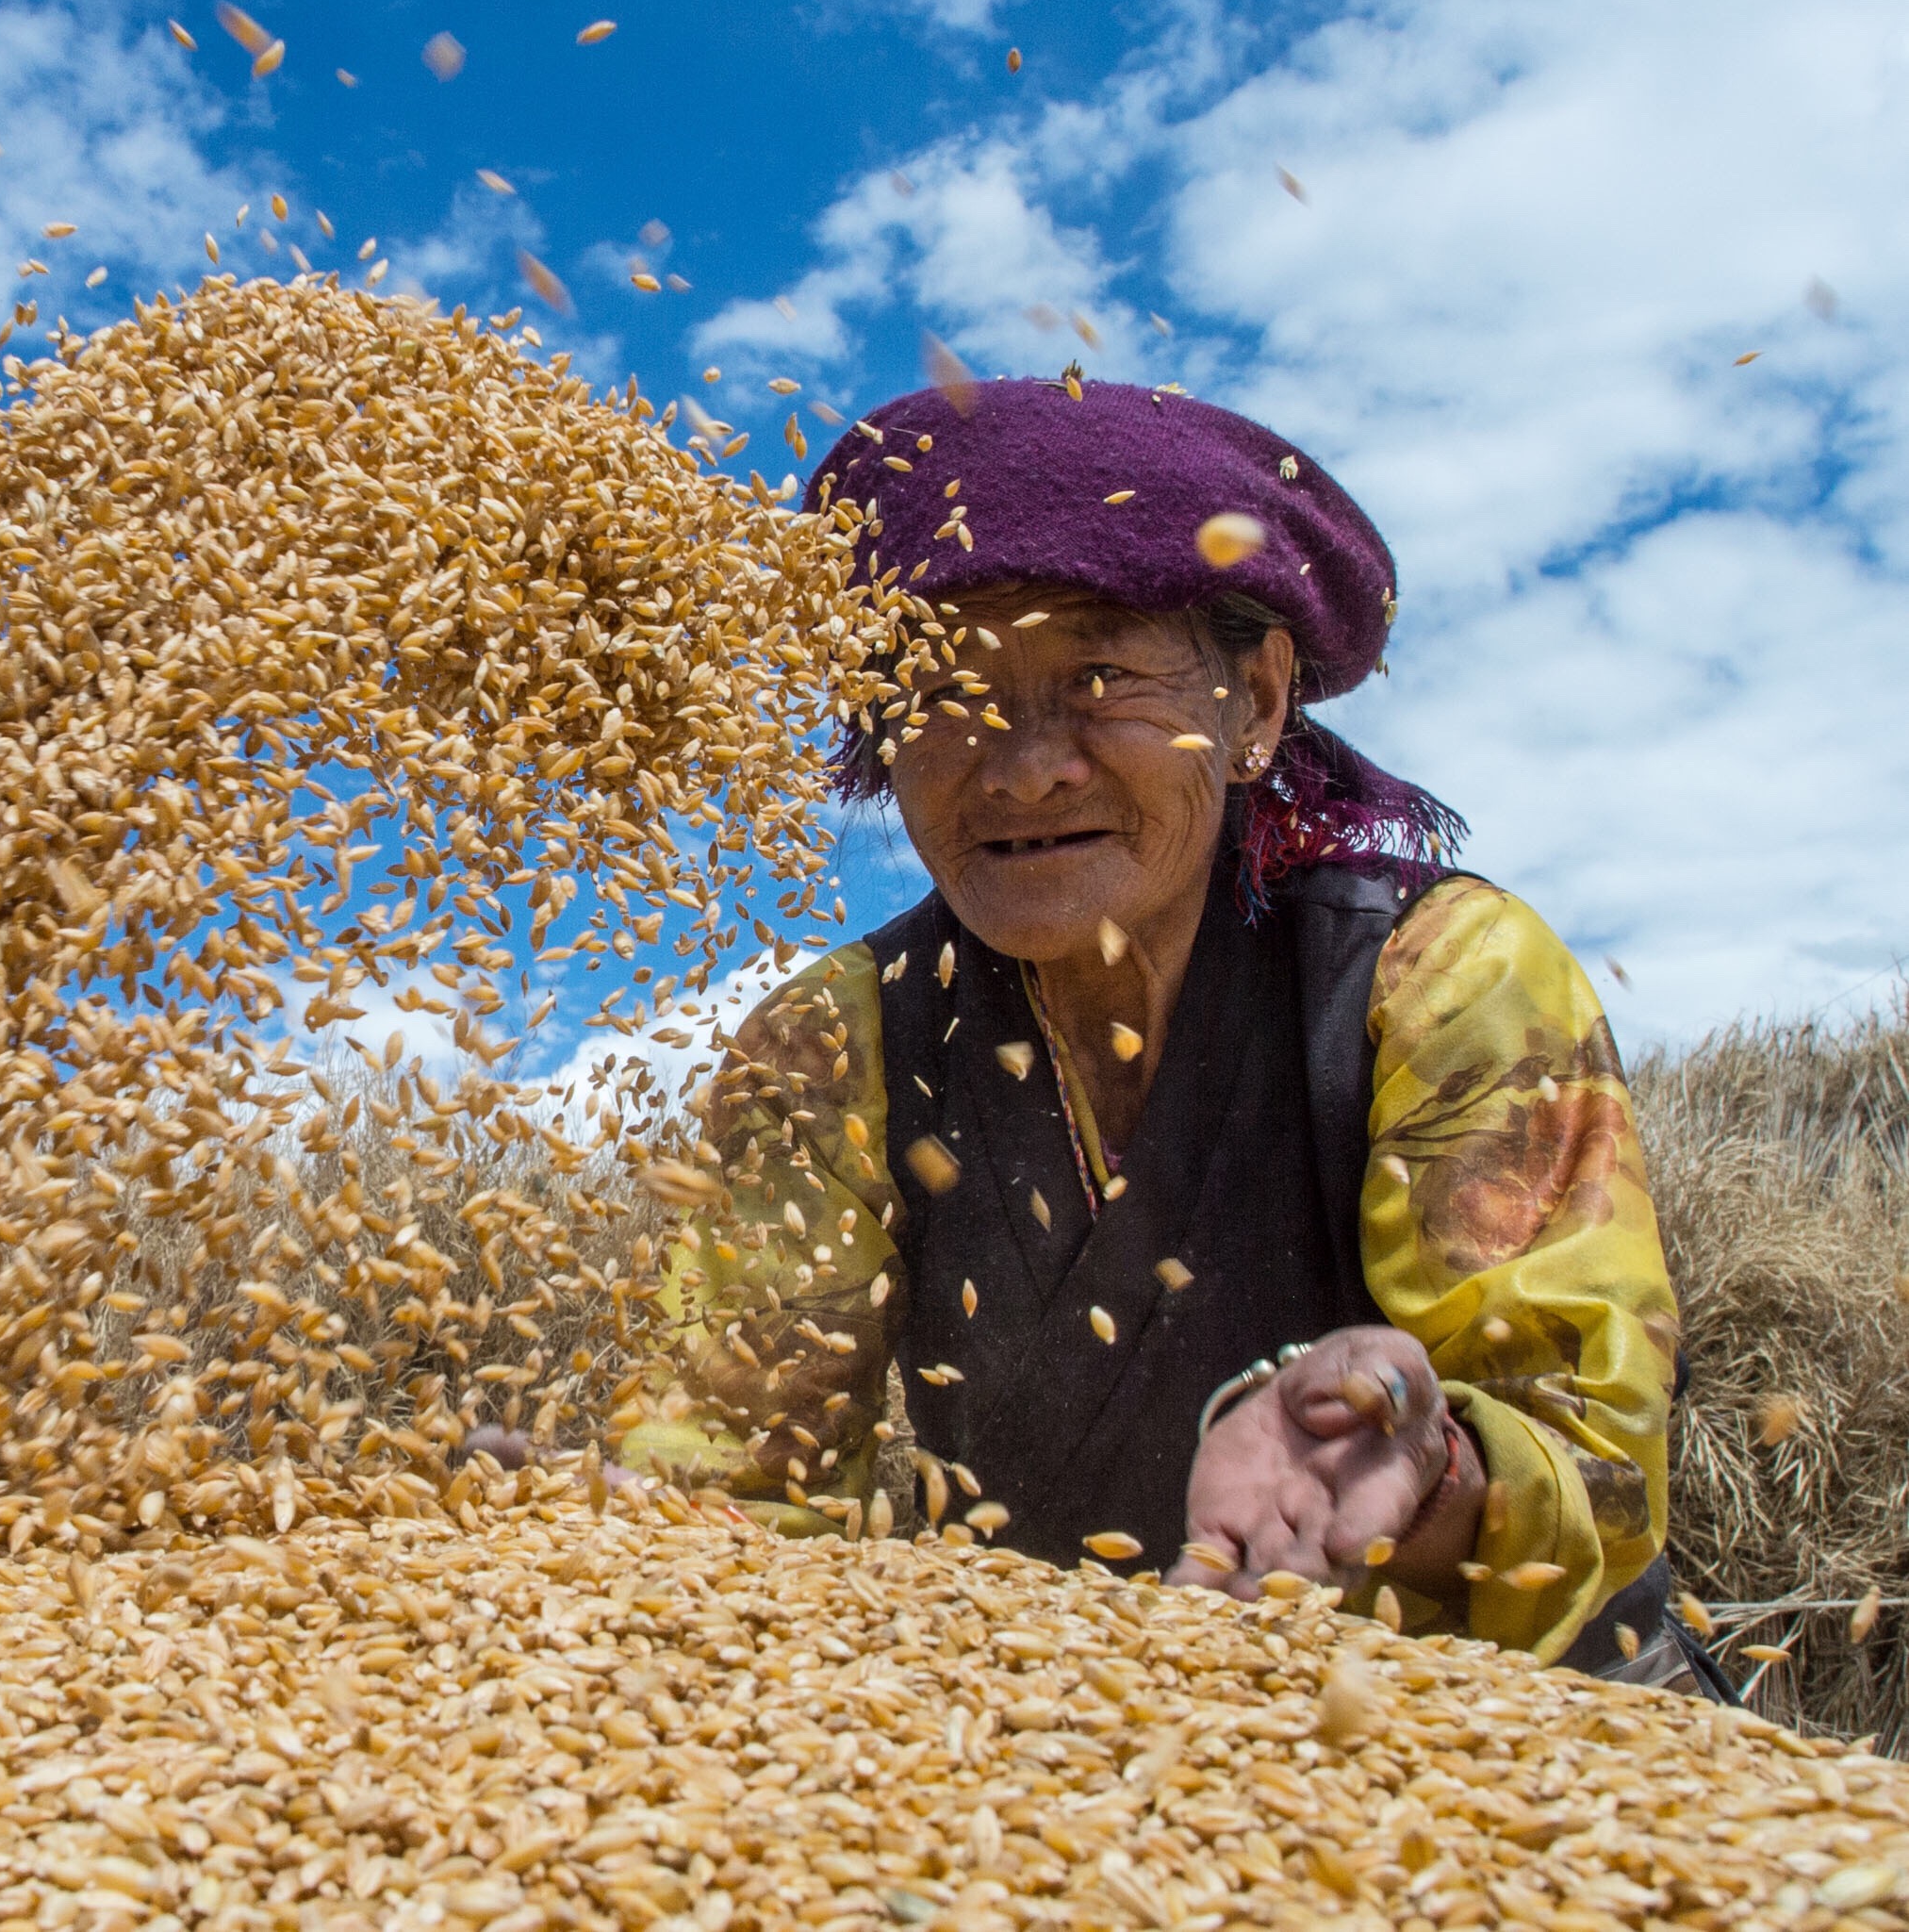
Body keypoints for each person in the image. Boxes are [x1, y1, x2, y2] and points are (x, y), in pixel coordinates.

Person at [618, 374, 1699, 1686]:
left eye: (1098, 674)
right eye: (942, 689)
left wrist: (1414, 1450)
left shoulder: (1433, 978)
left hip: (1524, 1749)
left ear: (1254, 706)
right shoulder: (836, 1045)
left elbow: (1590, 1455)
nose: (1021, 762)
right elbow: (735, 1480)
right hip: (1086, 1761)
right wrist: (619, 1554)